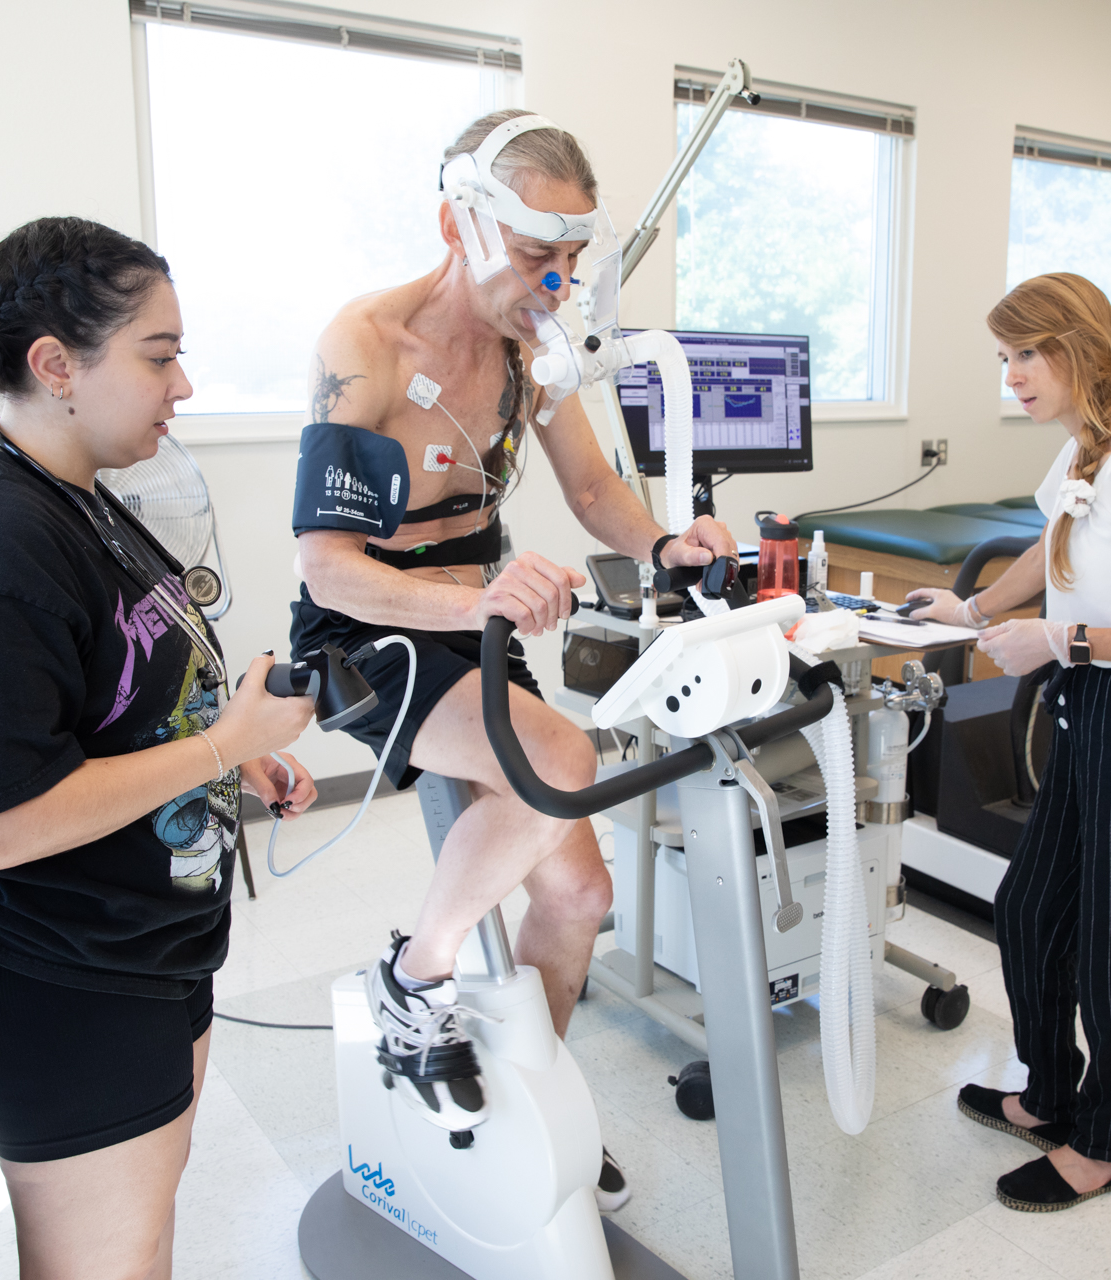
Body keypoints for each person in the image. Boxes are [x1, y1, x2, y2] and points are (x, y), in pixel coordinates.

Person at [291, 109, 735, 1207]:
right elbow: (327, 572)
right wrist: (477, 593)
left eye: (573, 256)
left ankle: (522, 1096)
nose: (559, 280)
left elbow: (592, 492)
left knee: (579, 895)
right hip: (371, 626)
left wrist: (665, 544)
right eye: (539, 254)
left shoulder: (536, 345)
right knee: (564, 757)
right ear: (459, 223)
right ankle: (416, 976)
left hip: (476, 619)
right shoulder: (367, 345)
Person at [0, 216, 318, 1280]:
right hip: (54, 984)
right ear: (55, 364)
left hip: (140, 957)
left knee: (142, 1238)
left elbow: (111, 697)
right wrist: (222, 747)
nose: (184, 384)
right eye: (159, 355)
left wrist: (223, 742)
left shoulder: (81, 495)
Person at [905, 273, 1111, 1211]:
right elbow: (1051, 547)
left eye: (1027, 353)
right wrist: (969, 609)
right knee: (1028, 906)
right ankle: (1049, 1097)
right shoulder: (1086, 451)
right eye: (1004, 358)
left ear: (1080, 347)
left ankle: (1101, 1144)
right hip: (1092, 707)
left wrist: (1063, 640)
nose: (1012, 375)